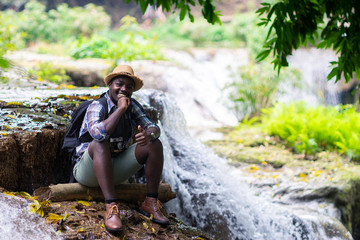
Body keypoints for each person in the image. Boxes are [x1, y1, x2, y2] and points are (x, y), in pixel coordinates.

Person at [72, 65, 169, 233]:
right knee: (100, 143)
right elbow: (98, 134)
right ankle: (111, 207)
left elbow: (154, 128)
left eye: (129, 86)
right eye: (119, 84)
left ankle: (150, 202)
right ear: (110, 85)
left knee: (154, 144)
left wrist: (149, 135)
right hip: (87, 171)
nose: (124, 89)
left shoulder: (133, 105)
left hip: (114, 169)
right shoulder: (97, 106)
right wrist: (121, 109)